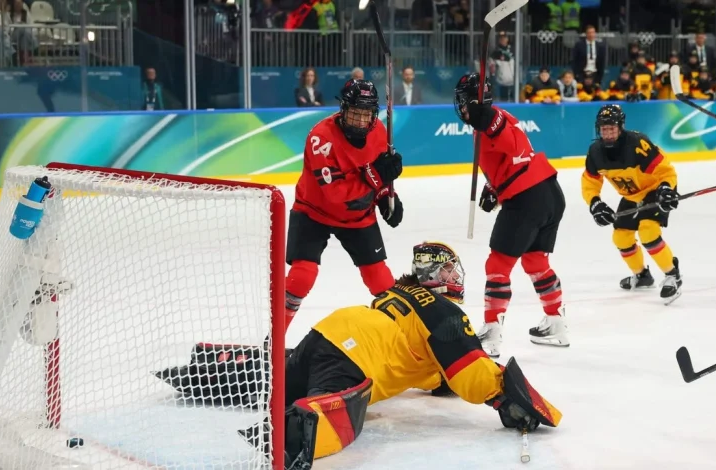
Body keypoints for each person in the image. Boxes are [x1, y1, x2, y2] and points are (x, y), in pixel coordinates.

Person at [154, 242, 562, 469]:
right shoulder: (446, 312)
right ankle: (290, 435)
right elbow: (469, 371)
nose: (456, 281)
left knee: (274, 379)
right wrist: (504, 398)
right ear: (441, 278)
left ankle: (204, 372)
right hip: (355, 356)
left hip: (329, 331)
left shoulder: (396, 292)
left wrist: (441, 384)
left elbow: (426, 367)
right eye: (452, 273)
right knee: (339, 407)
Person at [453, 73, 569, 358]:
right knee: (535, 261)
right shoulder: (493, 121)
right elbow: (512, 154)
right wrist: (493, 187)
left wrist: (487, 116)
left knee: (498, 264)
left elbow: (501, 132)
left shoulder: (493, 120)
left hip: (526, 198)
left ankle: (491, 333)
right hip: (549, 193)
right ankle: (556, 323)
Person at [285, 79, 403, 330]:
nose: (361, 121)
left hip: (359, 216)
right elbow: (336, 193)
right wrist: (377, 177)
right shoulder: (321, 138)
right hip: (313, 210)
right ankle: (274, 337)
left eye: (366, 115)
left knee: (380, 280)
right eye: (355, 113)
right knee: (302, 276)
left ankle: (401, 335)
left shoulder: (380, 132)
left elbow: (378, 176)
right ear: (343, 110)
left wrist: (384, 196)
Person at [582, 104, 682, 304]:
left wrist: (666, 189)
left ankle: (673, 275)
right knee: (621, 237)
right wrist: (595, 203)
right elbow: (590, 182)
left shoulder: (638, 143)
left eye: (612, 128)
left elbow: (666, 172)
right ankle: (642, 276)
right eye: (604, 129)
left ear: (620, 127)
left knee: (648, 231)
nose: (608, 133)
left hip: (655, 190)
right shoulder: (595, 152)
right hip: (632, 195)